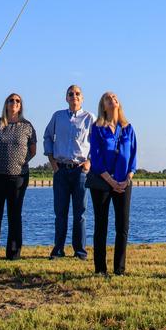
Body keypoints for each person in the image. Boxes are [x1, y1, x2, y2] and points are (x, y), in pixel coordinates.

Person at [87, 91, 137, 276]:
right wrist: (110, 180)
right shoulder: (98, 128)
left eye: (115, 97)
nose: (112, 99)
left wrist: (128, 177)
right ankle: (100, 269)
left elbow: (133, 155)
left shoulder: (128, 128)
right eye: (108, 98)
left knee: (122, 226)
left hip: (124, 182)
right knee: (101, 225)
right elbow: (97, 157)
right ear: (103, 105)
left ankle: (120, 269)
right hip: (101, 182)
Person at [0, 92, 37, 260]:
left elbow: (33, 150)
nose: (14, 102)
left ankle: (13, 253)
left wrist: (21, 161)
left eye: (17, 101)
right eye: (11, 100)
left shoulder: (27, 126)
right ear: (6, 104)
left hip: (19, 177)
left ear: (20, 105)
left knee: (15, 215)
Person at [43, 85, 94, 260]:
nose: (74, 96)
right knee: (60, 213)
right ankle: (58, 250)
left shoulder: (90, 118)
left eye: (78, 94)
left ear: (82, 98)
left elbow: (97, 144)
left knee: (80, 213)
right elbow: (47, 136)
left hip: (80, 171)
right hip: (61, 171)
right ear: (66, 98)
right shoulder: (57, 116)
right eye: (71, 94)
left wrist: (89, 162)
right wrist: (52, 162)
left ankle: (80, 252)